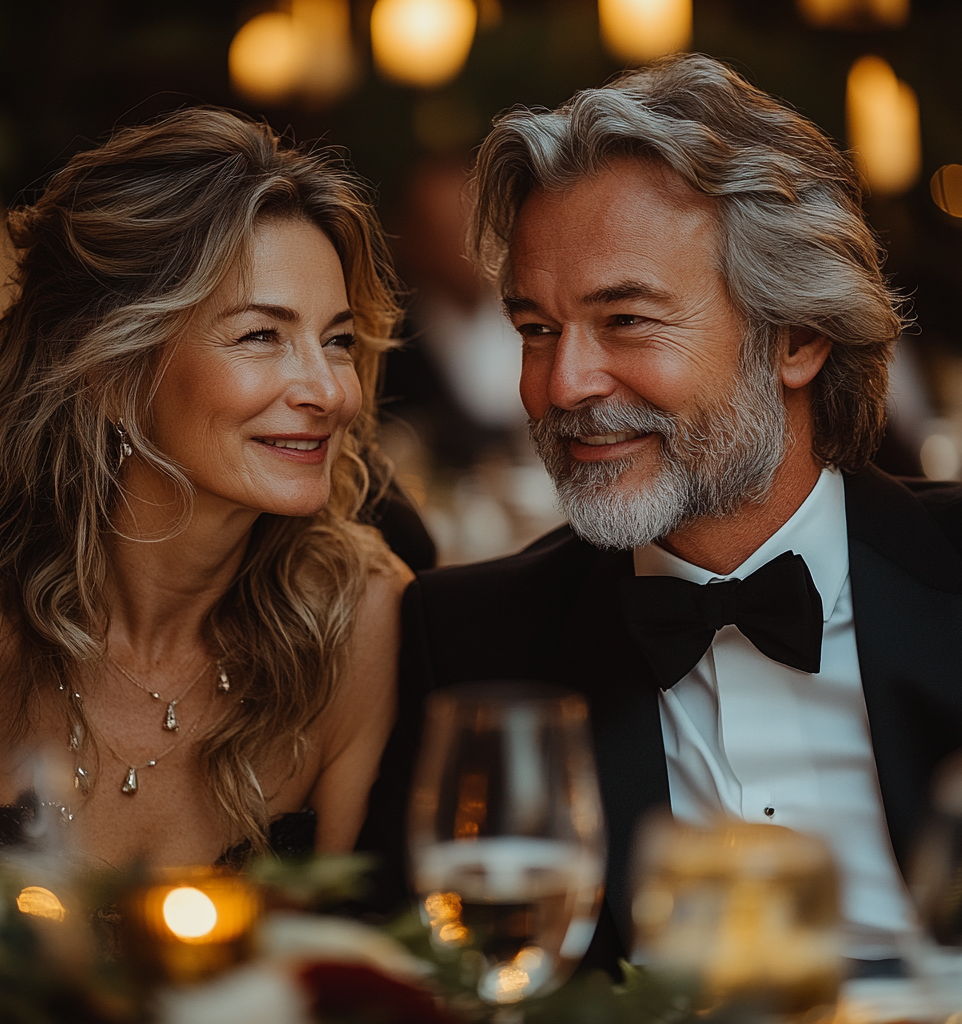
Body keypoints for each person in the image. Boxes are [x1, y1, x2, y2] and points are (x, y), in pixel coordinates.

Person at [362, 54, 962, 973]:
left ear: (796, 338)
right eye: (535, 330)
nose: (564, 385)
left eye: (628, 321)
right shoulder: (474, 646)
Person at [0, 107, 419, 868]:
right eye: (262, 335)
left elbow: (353, 962)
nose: (330, 392)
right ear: (111, 375)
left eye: (337, 341)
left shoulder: (352, 624)